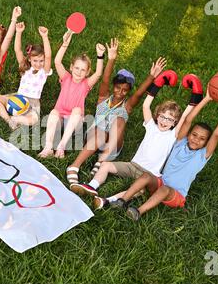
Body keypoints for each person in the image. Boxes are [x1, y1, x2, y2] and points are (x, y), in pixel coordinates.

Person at [105, 88, 218, 221]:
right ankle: (122, 201)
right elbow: (188, 120)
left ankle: (138, 211)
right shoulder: (179, 143)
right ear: (188, 134)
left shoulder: (203, 155)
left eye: (202, 139)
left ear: (206, 143)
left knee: (165, 189)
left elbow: (217, 134)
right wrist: (206, 99)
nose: (196, 139)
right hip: (160, 184)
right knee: (147, 176)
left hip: (175, 195)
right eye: (194, 135)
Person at [73, 72, 202, 205]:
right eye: (162, 117)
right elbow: (146, 106)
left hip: (150, 174)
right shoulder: (151, 126)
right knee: (105, 166)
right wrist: (158, 83)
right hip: (132, 165)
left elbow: (187, 118)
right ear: (157, 116)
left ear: (175, 122)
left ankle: (107, 200)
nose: (164, 121)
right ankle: (91, 187)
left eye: (169, 119)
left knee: (139, 190)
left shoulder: (172, 135)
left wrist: (195, 96)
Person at [65, 38, 167, 188]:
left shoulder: (127, 106)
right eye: (118, 88)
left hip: (111, 146)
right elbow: (105, 80)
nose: (120, 92)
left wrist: (152, 76)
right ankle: (74, 166)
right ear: (114, 86)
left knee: (119, 120)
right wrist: (111, 59)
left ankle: (101, 160)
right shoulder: (103, 98)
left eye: (125, 90)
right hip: (94, 138)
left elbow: (139, 94)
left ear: (128, 91)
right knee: (100, 132)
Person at [38, 31, 105, 159]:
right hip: (60, 120)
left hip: (75, 122)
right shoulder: (65, 77)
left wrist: (100, 56)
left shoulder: (86, 84)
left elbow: (98, 74)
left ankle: (61, 146)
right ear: (71, 67)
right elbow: (57, 62)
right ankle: (48, 148)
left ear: (87, 72)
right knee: (53, 112)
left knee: (77, 110)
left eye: (83, 70)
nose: (79, 72)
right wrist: (65, 44)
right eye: (77, 68)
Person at [0, 22, 52, 130]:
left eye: (41, 61)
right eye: (35, 60)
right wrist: (19, 32)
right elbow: (17, 50)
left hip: (32, 102)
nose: (38, 63)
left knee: (33, 120)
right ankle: (8, 119)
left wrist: (45, 37)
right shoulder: (25, 67)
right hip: (17, 98)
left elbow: (48, 56)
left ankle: (11, 116)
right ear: (30, 59)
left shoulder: (43, 71)